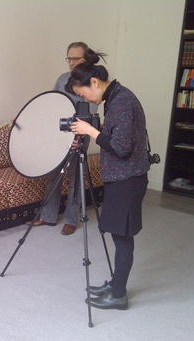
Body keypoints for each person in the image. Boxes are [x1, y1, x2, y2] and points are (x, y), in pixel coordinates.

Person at [66, 49, 150, 310]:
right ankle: (115, 284)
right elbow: (117, 138)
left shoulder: (122, 101)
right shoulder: (115, 99)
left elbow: (121, 147)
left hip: (128, 179)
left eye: (84, 94)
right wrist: (94, 129)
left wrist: (91, 130)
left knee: (122, 238)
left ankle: (118, 295)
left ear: (94, 82)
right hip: (122, 178)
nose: (87, 100)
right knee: (117, 235)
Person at [27, 42, 98, 235]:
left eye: (76, 58)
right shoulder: (62, 78)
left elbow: (91, 112)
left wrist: (80, 134)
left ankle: (71, 219)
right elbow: (50, 103)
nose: (72, 62)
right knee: (54, 176)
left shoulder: (92, 80)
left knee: (74, 178)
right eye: (69, 58)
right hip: (59, 134)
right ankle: (48, 216)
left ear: (86, 59)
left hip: (80, 134)